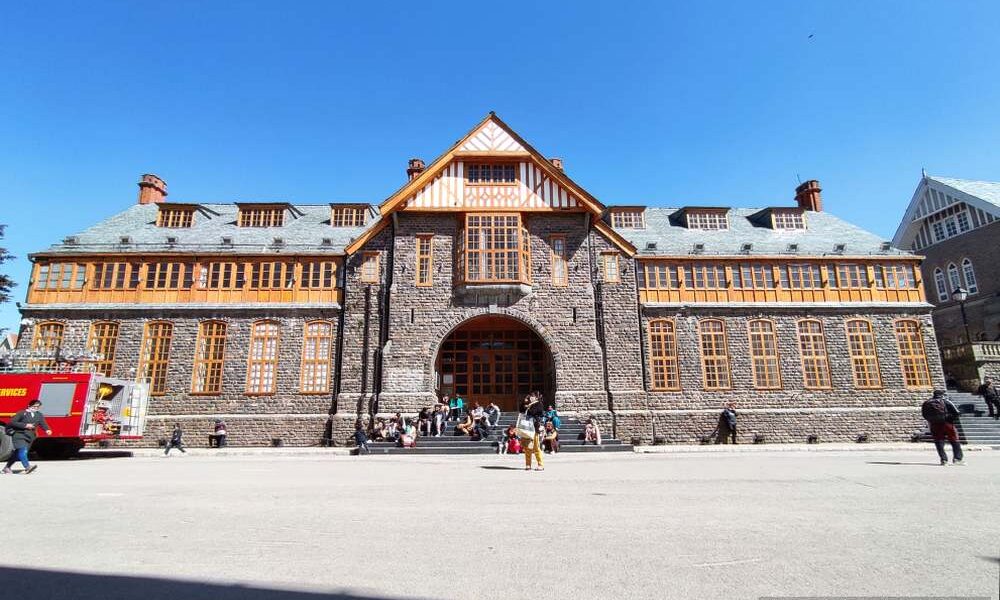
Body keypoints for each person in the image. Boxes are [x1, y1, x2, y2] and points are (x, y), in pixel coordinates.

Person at [2, 399, 52, 475]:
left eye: (37, 407)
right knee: (23, 450)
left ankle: (7, 468)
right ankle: (27, 467)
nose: (36, 408)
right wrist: (25, 425)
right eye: (34, 406)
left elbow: (43, 423)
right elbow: (12, 422)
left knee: (18, 453)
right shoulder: (22, 413)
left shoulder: (39, 415)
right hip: (19, 435)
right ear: (29, 406)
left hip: (30, 436)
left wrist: (47, 429)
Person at [921, 390, 964, 466]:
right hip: (947, 424)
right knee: (954, 440)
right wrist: (951, 418)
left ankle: (944, 460)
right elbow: (957, 412)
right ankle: (957, 459)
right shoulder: (946, 401)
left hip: (934, 424)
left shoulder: (927, 403)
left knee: (939, 442)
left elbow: (924, 414)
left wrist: (931, 420)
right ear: (942, 395)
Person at [520, 395, 545, 471]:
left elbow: (534, 412)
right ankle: (528, 465)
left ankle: (540, 464)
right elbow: (521, 411)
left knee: (536, 447)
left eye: (532, 396)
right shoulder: (528, 405)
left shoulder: (538, 404)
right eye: (530, 397)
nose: (531, 398)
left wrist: (529, 406)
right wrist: (524, 403)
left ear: (536, 398)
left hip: (534, 428)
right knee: (527, 447)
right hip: (527, 428)